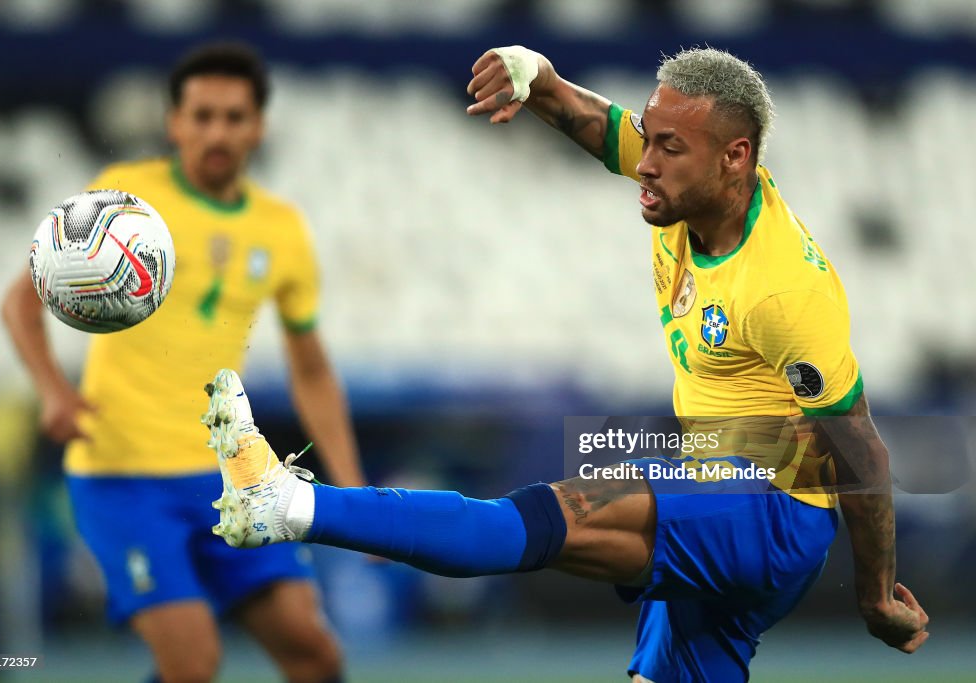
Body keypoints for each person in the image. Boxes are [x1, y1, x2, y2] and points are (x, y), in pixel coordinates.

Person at [200, 45, 929, 682]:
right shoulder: (683, 190)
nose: (644, 162)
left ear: (735, 157)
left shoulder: (782, 288)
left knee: (550, 517)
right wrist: (540, 79)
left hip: (775, 505)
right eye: (650, 138)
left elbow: (858, 446)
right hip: (718, 476)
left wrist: (877, 595)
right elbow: (608, 129)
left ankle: (290, 504)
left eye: (669, 146)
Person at [1, 43, 361, 683]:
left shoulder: (282, 230)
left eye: (233, 116)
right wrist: (54, 391)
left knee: (315, 652)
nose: (216, 131)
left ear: (257, 126)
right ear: (174, 123)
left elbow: (311, 368)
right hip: (121, 476)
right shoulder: (125, 199)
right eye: (202, 116)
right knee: (193, 664)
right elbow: (18, 304)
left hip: (228, 476)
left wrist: (353, 485)